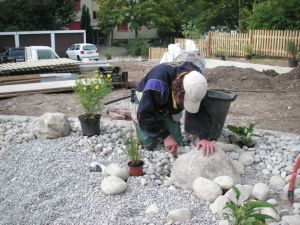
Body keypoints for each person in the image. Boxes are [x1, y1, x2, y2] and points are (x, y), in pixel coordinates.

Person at [132, 54, 215, 157]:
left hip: (166, 102)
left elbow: (203, 110)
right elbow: (144, 114)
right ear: (179, 91)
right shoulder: (156, 84)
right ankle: (137, 120)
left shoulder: (197, 81)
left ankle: (163, 116)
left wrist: (204, 137)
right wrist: (166, 136)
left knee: (177, 141)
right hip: (145, 101)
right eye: (185, 101)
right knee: (149, 144)